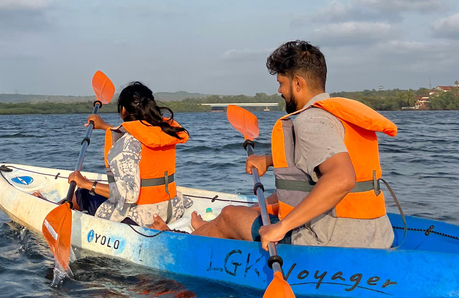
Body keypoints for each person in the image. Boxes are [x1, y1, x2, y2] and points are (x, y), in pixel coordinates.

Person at [164, 40, 397, 249]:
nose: (279, 91)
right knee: (278, 196)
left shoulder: (311, 120)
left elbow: (342, 178)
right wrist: (267, 160)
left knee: (229, 215)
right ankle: (207, 228)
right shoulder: (341, 116)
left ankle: (179, 241)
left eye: (281, 83)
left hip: (333, 241)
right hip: (377, 235)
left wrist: (282, 226)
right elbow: (320, 155)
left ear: (298, 83)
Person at [66, 81, 191, 228]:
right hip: (172, 210)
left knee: (83, 194)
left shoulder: (125, 142)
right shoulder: (164, 131)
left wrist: (86, 184)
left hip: (142, 218)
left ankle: (59, 208)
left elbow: (127, 195)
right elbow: (139, 135)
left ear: (124, 109)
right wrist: (105, 126)